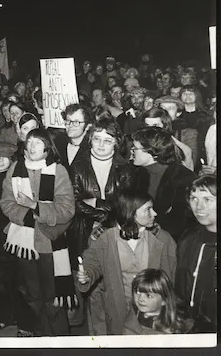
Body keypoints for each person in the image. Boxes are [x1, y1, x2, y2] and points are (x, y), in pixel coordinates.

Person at [0, 128, 76, 336]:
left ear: (48, 148)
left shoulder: (58, 171)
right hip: (23, 244)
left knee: (53, 299)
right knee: (32, 296)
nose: (32, 146)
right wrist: (27, 215)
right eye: (30, 141)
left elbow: (67, 210)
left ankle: (59, 341)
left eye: (38, 142)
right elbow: (6, 203)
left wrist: (35, 207)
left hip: (49, 245)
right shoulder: (16, 168)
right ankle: (41, 336)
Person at [77, 191, 177, 335]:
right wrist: (87, 275)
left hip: (153, 314)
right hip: (118, 309)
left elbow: (170, 279)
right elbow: (93, 263)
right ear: (130, 213)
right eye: (148, 209)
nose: (154, 213)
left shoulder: (163, 239)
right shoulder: (104, 238)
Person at [68, 118, 128, 330]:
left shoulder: (125, 167)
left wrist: (96, 204)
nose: (101, 145)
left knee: (112, 285)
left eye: (108, 140)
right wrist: (107, 207)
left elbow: (125, 206)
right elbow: (73, 203)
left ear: (116, 143)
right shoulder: (78, 165)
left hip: (115, 231)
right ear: (90, 140)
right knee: (89, 287)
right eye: (97, 139)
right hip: (84, 231)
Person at [0, 142, 37, 336]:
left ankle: (25, 322)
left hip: (16, 232)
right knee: (1, 279)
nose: (0, 161)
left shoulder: (16, 178)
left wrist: (13, 225)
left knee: (19, 280)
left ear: (11, 159)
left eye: (4, 157)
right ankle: (5, 315)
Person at [130, 127, 197, 241]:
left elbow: (182, 223)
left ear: (152, 152)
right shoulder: (137, 174)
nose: (131, 151)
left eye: (135, 148)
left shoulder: (184, 178)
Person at [175, 175, 217, 332]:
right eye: (194, 198)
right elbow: (179, 285)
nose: (198, 206)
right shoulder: (188, 238)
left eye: (207, 199)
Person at [123, 269, 189, 334]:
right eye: (137, 292)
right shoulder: (133, 312)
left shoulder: (167, 330)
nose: (140, 299)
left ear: (164, 300)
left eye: (148, 296)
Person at [53, 103, 92, 175]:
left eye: (76, 122)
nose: (70, 125)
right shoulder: (57, 143)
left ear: (87, 126)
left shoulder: (92, 148)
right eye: (68, 121)